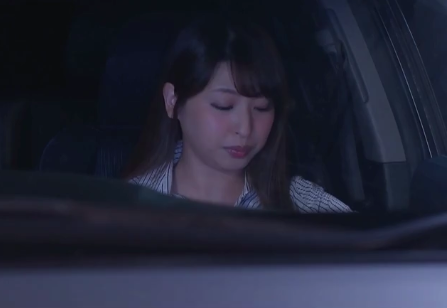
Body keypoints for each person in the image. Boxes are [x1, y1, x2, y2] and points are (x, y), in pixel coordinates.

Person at [121, 17, 352, 213]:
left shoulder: (304, 206)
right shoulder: (126, 210)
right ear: (172, 100)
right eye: (224, 106)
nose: (245, 128)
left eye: (262, 108)